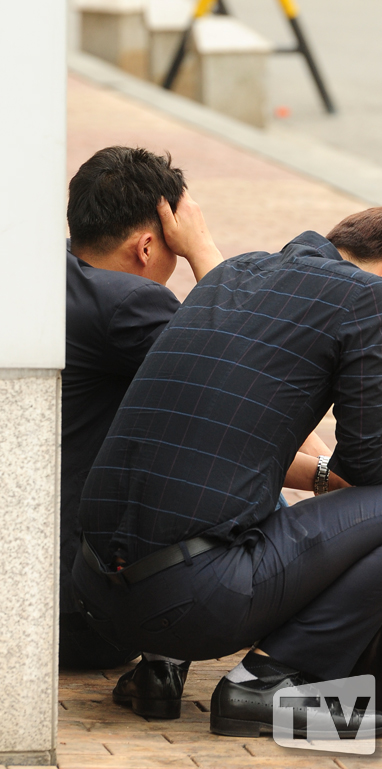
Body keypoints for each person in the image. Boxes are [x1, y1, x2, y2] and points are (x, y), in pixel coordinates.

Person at [73, 205, 382, 736]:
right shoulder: (366, 295)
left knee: (220, 484)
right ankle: (269, 683)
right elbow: (369, 463)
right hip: (189, 603)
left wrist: (327, 477)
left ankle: (159, 670)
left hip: (95, 591)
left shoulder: (233, 273)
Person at [61, 147, 222, 682]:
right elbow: (243, 380)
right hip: (81, 619)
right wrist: (202, 249)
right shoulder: (128, 302)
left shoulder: (48, 276)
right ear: (148, 245)